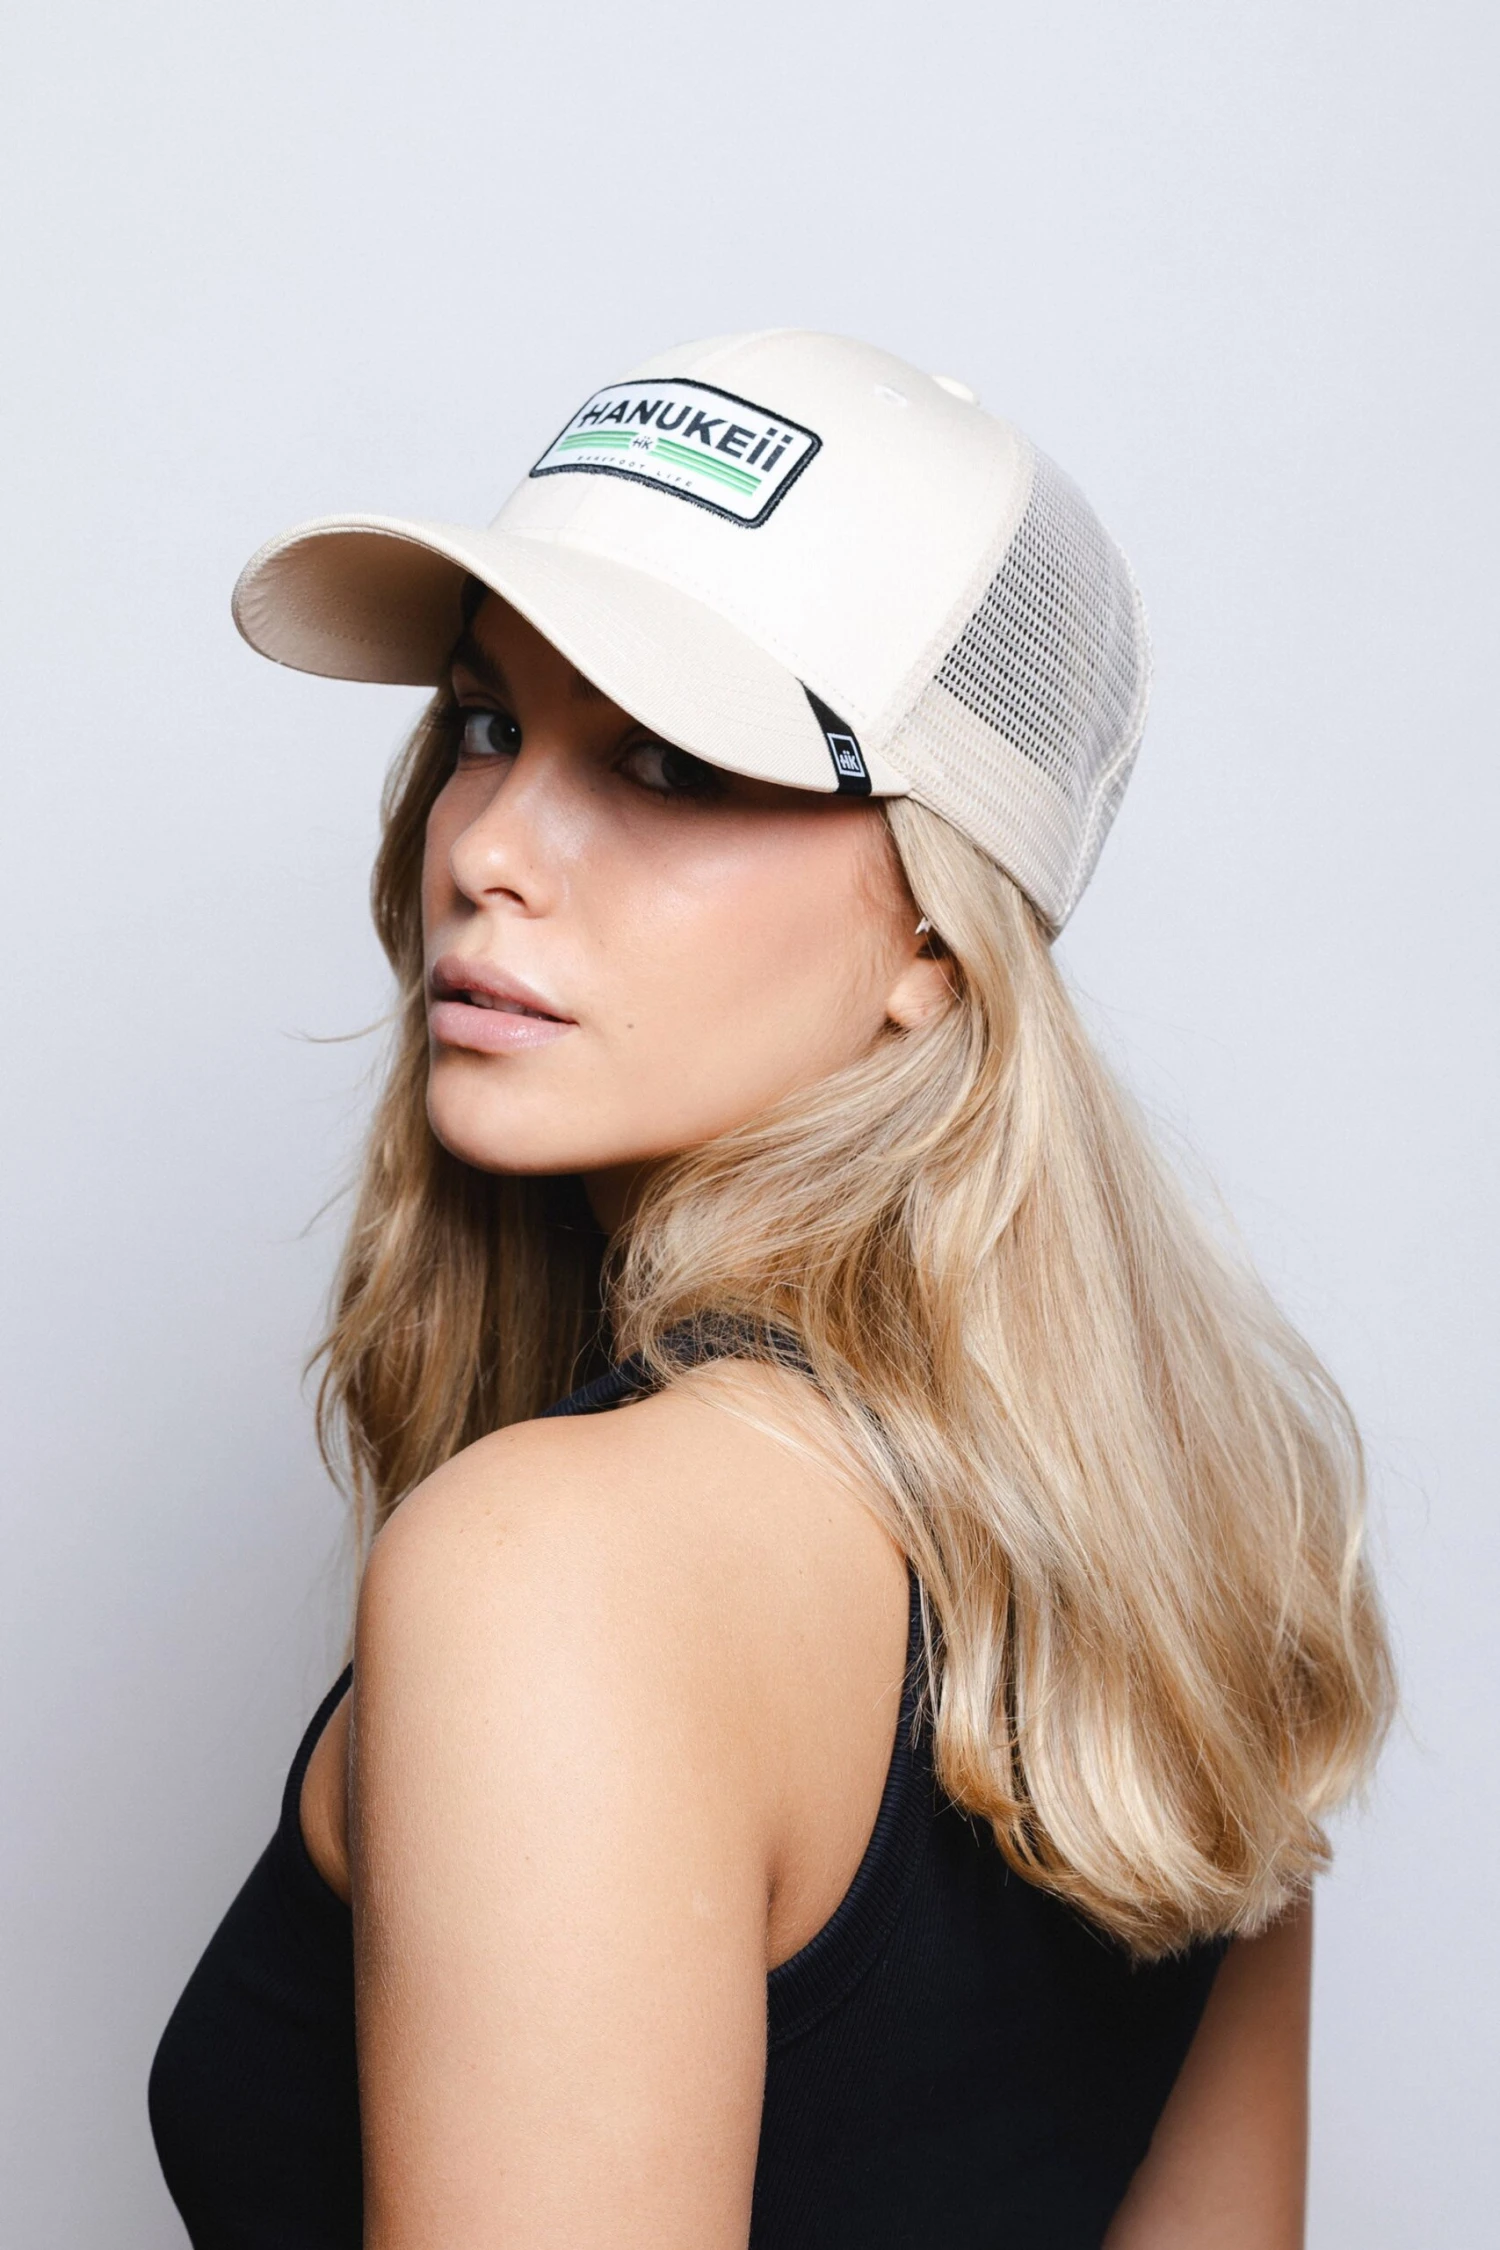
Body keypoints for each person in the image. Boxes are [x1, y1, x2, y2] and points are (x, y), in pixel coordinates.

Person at [148, 329, 1393, 2249]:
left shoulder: (557, 1569)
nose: (488, 848)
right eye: (484, 724)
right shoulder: (1206, 1550)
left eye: (665, 760)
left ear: (935, 932)